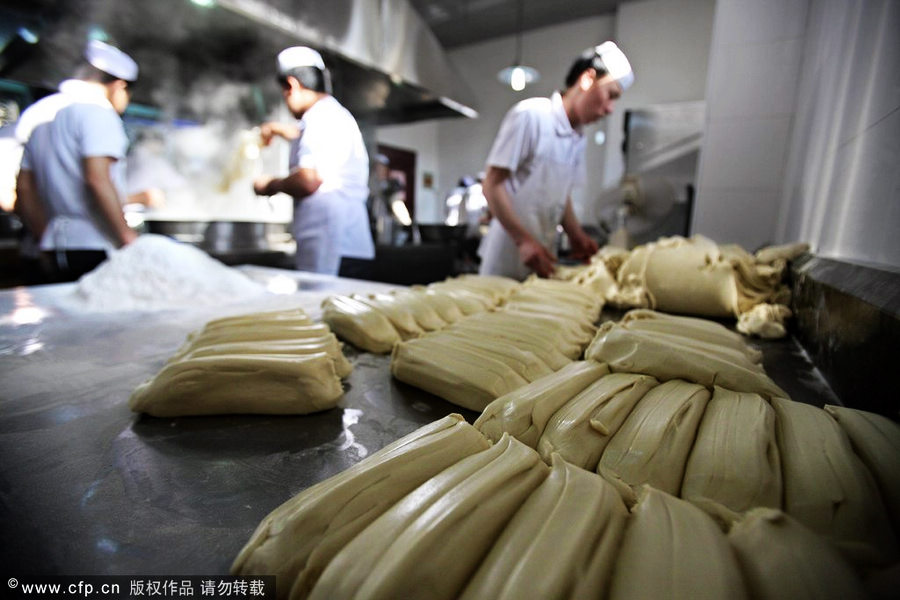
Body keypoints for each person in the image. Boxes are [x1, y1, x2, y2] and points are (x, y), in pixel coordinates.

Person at [478, 41, 634, 280]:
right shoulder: (531, 116)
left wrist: (576, 235)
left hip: (542, 257)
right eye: (610, 95)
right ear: (587, 79)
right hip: (507, 259)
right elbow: (492, 184)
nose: (610, 109)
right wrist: (523, 241)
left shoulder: (578, 136)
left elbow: (561, 194)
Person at [14, 40, 141, 283]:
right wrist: (128, 238)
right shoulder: (98, 113)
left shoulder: (38, 113)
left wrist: (45, 237)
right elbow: (97, 178)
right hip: (95, 247)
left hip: (51, 248)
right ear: (119, 87)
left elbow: (24, 188)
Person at [253, 46, 374, 277]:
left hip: (331, 250)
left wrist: (269, 185)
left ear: (292, 85)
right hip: (345, 245)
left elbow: (308, 181)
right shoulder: (331, 115)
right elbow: (308, 138)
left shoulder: (319, 118)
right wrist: (278, 130)